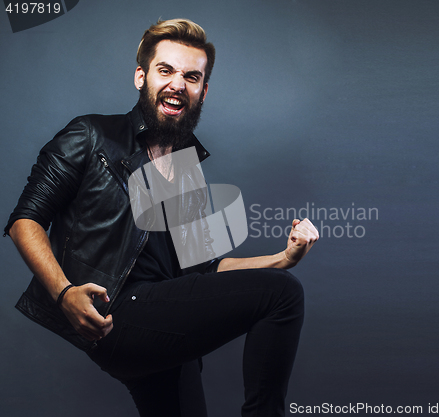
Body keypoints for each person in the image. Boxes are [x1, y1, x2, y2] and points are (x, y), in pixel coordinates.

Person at [5, 18, 319, 417]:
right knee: (282, 293)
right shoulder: (90, 135)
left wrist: (281, 259)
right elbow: (24, 220)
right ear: (142, 77)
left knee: (278, 281)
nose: (177, 84)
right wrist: (65, 293)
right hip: (117, 310)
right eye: (165, 70)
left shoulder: (186, 173)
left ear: (203, 91)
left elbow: (202, 270)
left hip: (161, 327)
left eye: (191, 76)